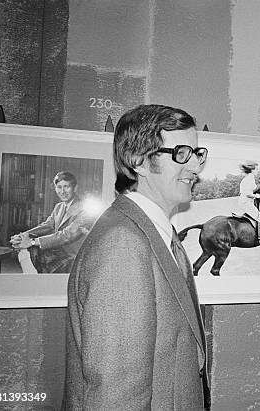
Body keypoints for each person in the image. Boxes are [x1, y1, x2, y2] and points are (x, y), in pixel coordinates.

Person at [64, 104, 211, 410]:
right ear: (138, 160)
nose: (195, 167)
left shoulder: (152, 233)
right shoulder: (124, 244)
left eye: (197, 154)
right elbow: (115, 395)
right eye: (181, 153)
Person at [9, 171, 94, 273]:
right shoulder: (59, 207)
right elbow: (47, 225)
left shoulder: (86, 209)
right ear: (55, 189)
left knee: (30, 250)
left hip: (75, 257)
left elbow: (66, 235)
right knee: (24, 250)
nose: (62, 191)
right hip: (59, 251)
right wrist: (23, 235)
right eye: (59, 187)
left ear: (75, 188)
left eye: (66, 186)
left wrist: (31, 242)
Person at [238, 161, 260, 245]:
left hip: (246, 202)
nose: (257, 171)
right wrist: (257, 196)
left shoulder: (249, 178)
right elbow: (247, 193)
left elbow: (254, 189)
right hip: (246, 203)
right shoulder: (249, 178)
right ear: (252, 170)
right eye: (257, 169)